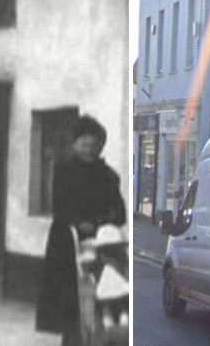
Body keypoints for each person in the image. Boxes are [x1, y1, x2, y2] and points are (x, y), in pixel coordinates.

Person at [36, 115, 126, 346]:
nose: (89, 150)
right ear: (75, 145)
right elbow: (60, 207)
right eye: (84, 144)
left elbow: (119, 212)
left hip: (102, 247)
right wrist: (78, 222)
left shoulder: (108, 176)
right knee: (72, 305)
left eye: (94, 145)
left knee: (103, 299)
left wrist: (102, 221)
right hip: (68, 246)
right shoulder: (64, 172)